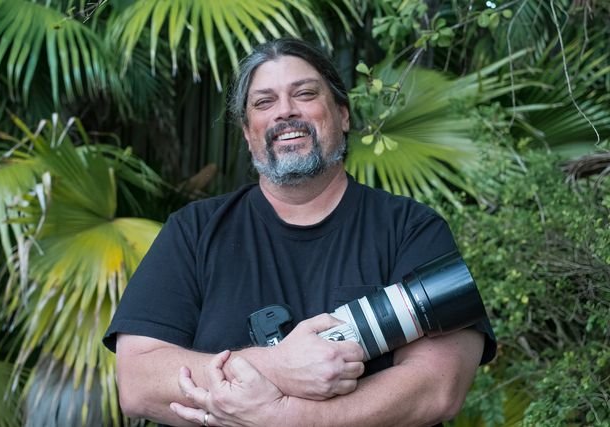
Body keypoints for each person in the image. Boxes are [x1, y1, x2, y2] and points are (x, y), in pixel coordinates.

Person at [103, 37, 496, 427]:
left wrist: (286, 417)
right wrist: (277, 365)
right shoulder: (193, 231)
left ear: (343, 115)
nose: (285, 111)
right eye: (264, 102)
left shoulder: (412, 228)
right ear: (248, 132)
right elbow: (139, 381)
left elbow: (438, 388)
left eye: (305, 94)